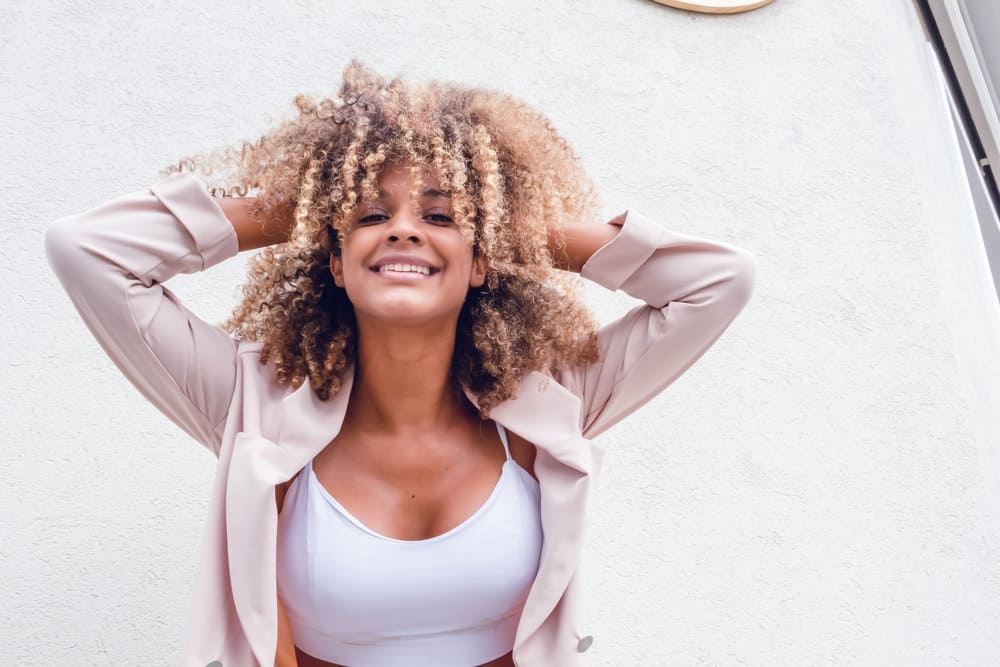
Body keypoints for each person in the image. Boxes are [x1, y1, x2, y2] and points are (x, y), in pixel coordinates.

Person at [44, 60, 757, 667]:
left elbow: (718, 284)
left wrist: (513, 222)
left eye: (441, 216)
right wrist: (304, 204)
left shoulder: (550, 401)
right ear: (332, 256)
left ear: (483, 261)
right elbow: (89, 253)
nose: (406, 228)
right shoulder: (250, 403)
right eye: (369, 215)